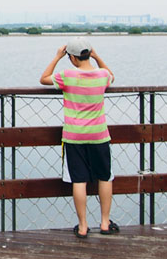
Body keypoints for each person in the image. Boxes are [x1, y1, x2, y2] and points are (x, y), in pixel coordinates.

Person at [39, 37, 119, 238]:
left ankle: (83, 226)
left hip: (74, 136)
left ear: (72, 58)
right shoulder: (101, 76)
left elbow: (44, 78)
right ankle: (105, 223)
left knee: (79, 181)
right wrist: (98, 57)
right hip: (99, 135)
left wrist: (57, 57)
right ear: (88, 54)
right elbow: (112, 76)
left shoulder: (67, 76)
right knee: (105, 177)